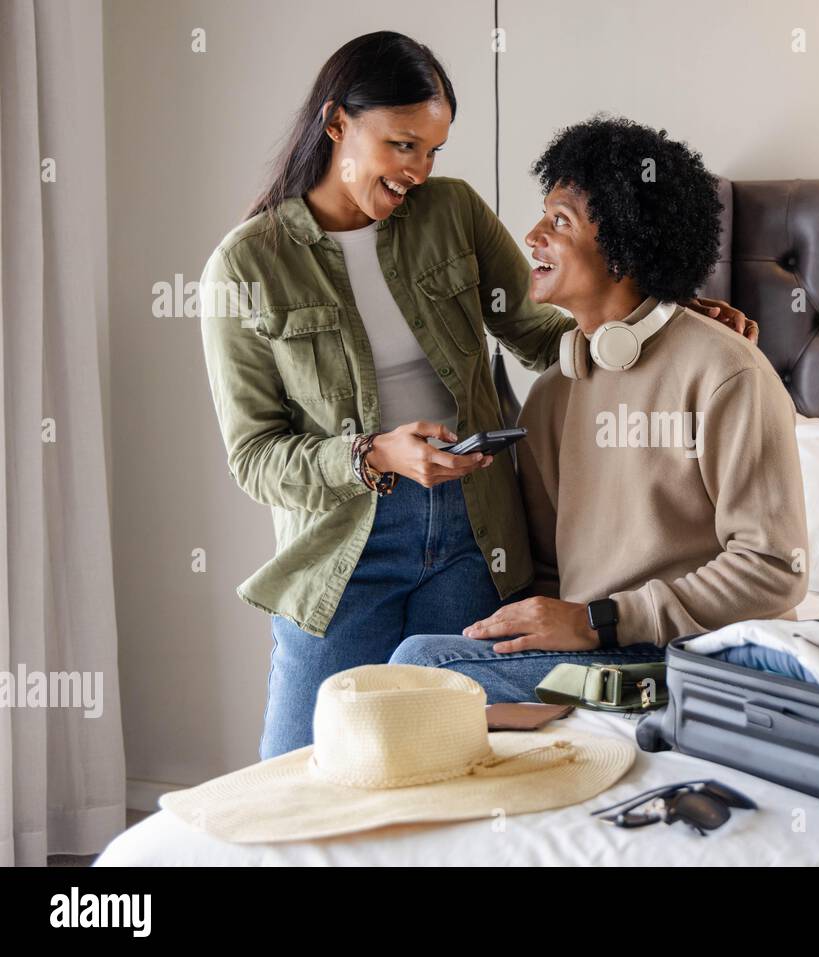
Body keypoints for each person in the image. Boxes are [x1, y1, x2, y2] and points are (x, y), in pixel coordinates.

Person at [198, 33, 754, 759]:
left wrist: (661, 322)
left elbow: (536, 327)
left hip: (473, 535)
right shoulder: (246, 266)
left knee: (449, 764)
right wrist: (375, 454)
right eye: (403, 146)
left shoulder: (450, 213)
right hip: (341, 550)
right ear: (337, 124)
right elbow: (255, 457)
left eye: (433, 151)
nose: (419, 172)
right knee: (299, 769)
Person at [389, 117, 808, 701]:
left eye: (559, 221)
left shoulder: (727, 372)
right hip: (599, 651)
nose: (532, 236)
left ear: (621, 248)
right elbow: (546, 572)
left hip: (705, 655)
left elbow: (773, 567)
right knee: (422, 667)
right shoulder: (554, 393)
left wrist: (600, 621)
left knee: (419, 668)